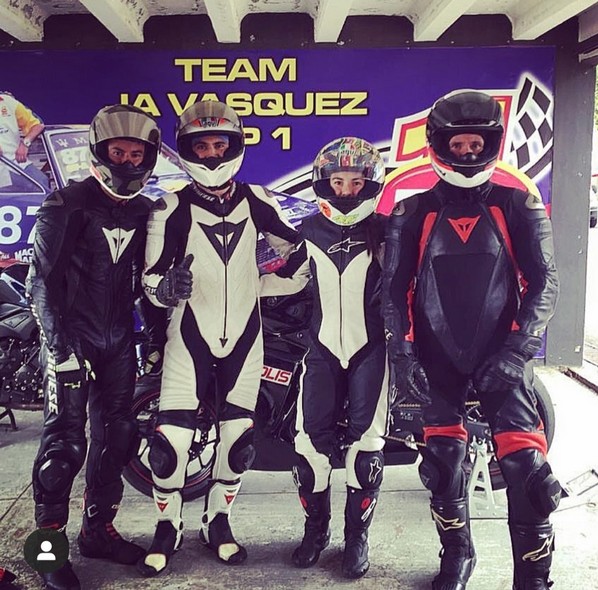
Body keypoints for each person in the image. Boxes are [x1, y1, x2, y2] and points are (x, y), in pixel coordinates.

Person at [382, 89, 561, 590]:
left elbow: (546, 282)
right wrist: (403, 354)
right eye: (457, 144)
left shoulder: (518, 203)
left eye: (474, 144)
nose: (465, 153)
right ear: (439, 146)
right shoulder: (410, 210)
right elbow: (394, 290)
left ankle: (533, 578)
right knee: (442, 466)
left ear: (491, 144)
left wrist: (518, 351)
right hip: (436, 357)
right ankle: (456, 558)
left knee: (528, 472)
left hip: (503, 355)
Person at [138, 100, 298, 576]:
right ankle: (167, 527)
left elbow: (297, 258)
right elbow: (150, 279)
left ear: (235, 146)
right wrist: (166, 287)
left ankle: (218, 522)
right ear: (187, 150)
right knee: (170, 443)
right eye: (202, 146)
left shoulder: (259, 200)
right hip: (187, 337)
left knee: (238, 440)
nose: (211, 154)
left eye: (219, 144)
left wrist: (282, 268)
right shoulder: (169, 207)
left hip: (246, 338)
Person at [26, 104, 163, 590]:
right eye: (118, 152)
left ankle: (97, 533)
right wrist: (60, 347)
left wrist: (156, 337)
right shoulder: (66, 204)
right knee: (63, 447)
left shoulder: (147, 211)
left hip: (119, 340)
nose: (127, 162)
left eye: (135, 154)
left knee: (119, 437)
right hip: (72, 338)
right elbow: (40, 283)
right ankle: (47, 551)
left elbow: (148, 282)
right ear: (99, 153)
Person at [260, 137, 389, 579]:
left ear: (370, 183)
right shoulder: (309, 230)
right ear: (324, 183)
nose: (346, 190)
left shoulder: (388, 231)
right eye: (337, 182)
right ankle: (315, 533)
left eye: (355, 182)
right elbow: (284, 278)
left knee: (366, 451)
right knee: (309, 447)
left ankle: (357, 540)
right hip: (320, 350)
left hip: (372, 351)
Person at [0, 91, 49, 189]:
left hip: (15, 162)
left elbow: (38, 125)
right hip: (2, 166)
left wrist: (25, 143)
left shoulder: (8, 101)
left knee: (42, 181)